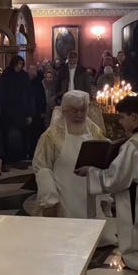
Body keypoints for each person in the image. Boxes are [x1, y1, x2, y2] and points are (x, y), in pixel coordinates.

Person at [81, 93, 138, 269]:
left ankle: (135, 261)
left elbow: (116, 178)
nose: (120, 121)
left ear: (134, 117)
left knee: (133, 230)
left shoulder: (132, 146)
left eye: (122, 117)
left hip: (133, 195)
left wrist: (91, 171)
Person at [34, 90, 106, 219]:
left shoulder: (94, 131)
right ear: (64, 110)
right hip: (64, 195)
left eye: (83, 110)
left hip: (90, 193)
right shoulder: (52, 135)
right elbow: (42, 168)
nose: (79, 115)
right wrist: (50, 198)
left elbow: (103, 158)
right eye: (74, 111)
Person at [0, 55, 33, 164]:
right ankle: (9, 158)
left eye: (21, 64)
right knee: (8, 136)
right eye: (17, 64)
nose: (19, 66)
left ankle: (21, 157)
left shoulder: (24, 76)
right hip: (8, 112)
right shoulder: (6, 75)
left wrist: (29, 113)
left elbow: (29, 95)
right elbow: (1, 93)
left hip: (22, 111)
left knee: (23, 135)